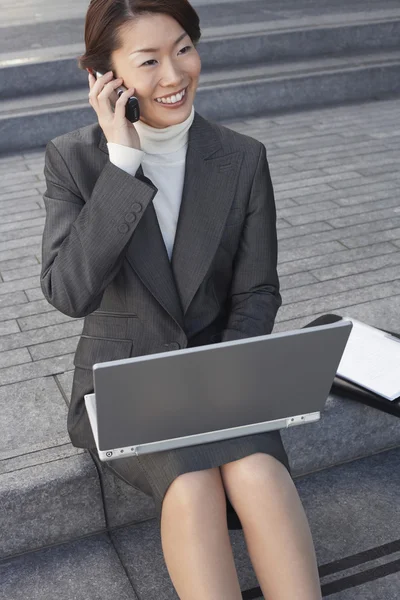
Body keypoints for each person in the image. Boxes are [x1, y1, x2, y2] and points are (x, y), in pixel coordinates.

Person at [40, 0, 322, 598]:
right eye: (148, 61)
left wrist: (225, 374)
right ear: (101, 76)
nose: (174, 75)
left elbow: (256, 290)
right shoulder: (77, 159)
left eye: (183, 49)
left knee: (257, 472)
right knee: (191, 483)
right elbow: (68, 292)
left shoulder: (241, 156)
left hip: (221, 373)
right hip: (123, 385)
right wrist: (123, 163)